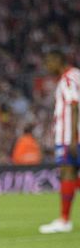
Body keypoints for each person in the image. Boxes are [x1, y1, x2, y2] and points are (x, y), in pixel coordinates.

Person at [39, 49, 80, 234]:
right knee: (69, 175)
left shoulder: (67, 79)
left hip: (69, 137)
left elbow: (73, 105)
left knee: (67, 173)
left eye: (49, 63)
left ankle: (64, 220)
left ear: (57, 61)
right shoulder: (76, 74)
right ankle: (64, 219)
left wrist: (72, 138)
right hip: (70, 136)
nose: (47, 68)